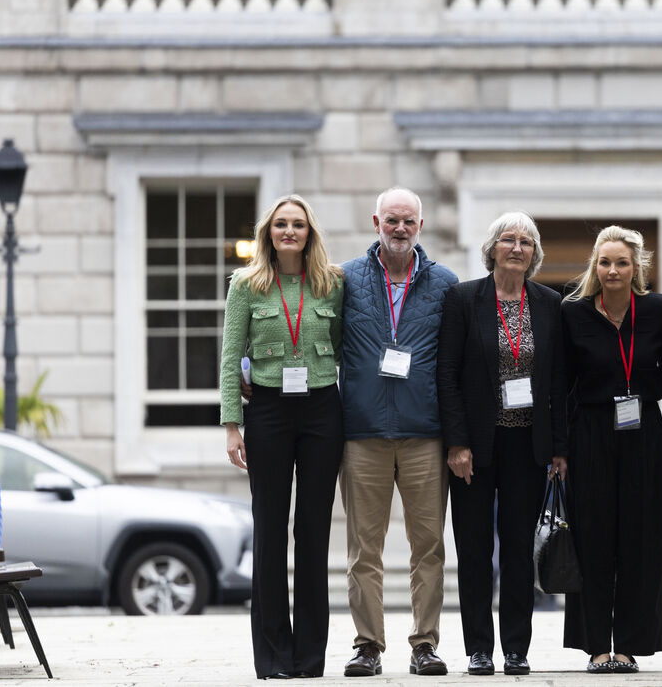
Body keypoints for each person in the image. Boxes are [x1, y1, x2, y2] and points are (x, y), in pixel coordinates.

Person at [436, 211, 568, 677]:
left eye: (526, 242)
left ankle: (515, 648)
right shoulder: (463, 298)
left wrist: (558, 448)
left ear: (534, 255)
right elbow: (447, 376)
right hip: (476, 446)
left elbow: (557, 382)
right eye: (508, 240)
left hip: (527, 446)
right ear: (492, 248)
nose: (517, 248)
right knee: (473, 550)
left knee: (516, 550)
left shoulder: (550, 302)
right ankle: (478, 648)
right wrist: (457, 443)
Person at [220, 195, 345, 679]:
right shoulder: (246, 284)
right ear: (267, 233)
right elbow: (232, 357)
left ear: (309, 232)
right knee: (270, 531)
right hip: (268, 412)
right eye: (280, 225)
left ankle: (310, 657)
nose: (288, 232)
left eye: (297, 224)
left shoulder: (331, 283)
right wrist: (233, 426)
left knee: (313, 533)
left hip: (321, 411)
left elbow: (343, 349)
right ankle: (272, 657)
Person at [338, 187, 458, 677]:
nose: (400, 228)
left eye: (409, 221)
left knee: (427, 546)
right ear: (376, 222)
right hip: (362, 432)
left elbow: (455, 364)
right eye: (392, 220)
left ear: (421, 226)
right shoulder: (344, 279)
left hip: (423, 434)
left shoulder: (446, 284)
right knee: (363, 548)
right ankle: (368, 644)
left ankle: (425, 643)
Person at [560, 225, 662, 673]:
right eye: (604, 262)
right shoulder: (575, 312)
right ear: (595, 266)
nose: (612, 270)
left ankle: (628, 645)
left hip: (643, 433)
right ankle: (596, 647)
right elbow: (562, 383)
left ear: (636, 267)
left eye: (621, 262)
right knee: (592, 538)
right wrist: (559, 449)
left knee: (641, 540)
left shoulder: (657, 309)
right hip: (590, 432)